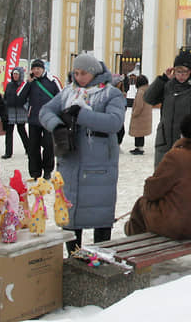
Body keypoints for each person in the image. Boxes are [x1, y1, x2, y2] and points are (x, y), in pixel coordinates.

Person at [39, 54, 125, 255]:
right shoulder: (69, 92)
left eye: (83, 73)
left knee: (99, 213)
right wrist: (57, 125)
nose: (79, 77)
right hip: (71, 163)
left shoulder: (110, 94)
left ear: (94, 72)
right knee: (71, 215)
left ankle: (102, 256)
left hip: (99, 165)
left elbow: (114, 122)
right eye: (76, 73)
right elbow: (45, 111)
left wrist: (81, 115)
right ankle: (74, 256)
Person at [124, 114, 191, 239]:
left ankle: (133, 246)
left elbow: (152, 192)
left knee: (141, 204)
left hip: (177, 225)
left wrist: (150, 182)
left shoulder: (176, 156)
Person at [144, 49, 191, 168]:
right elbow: (148, 98)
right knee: (164, 179)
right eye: (178, 71)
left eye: (185, 71)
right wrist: (162, 79)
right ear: (173, 70)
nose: (181, 75)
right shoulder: (167, 86)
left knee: (187, 181)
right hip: (166, 141)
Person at [16, 59, 61, 179]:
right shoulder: (30, 82)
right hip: (34, 119)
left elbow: (61, 97)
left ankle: (47, 170)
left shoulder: (52, 80)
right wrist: (28, 83)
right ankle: (35, 172)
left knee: (48, 146)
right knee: (33, 147)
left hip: (49, 119)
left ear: (43, 69)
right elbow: (19, 98)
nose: (36, 71)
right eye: (34, 68)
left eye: (38, 68)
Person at [1, 67, 29, 160]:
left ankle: (28, 149)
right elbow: (5, 98)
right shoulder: (9, 85)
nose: (15, 76)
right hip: (11, 111)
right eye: (14, 74)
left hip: (21, 111)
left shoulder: (24, 85)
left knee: (22, 131)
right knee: (9, 132)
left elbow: (28, 98)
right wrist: (4, 107)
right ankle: (8, 152)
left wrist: (25, 106)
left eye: (17, 74)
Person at [128, 75, 152, 155]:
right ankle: (139, 147)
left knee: (138, 132)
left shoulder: (140, 92)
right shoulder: (148, 90)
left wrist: (134, 113)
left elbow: (139, 105)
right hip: (146, 115)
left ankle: (139, 148)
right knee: (141, 133)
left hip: (140, 116)